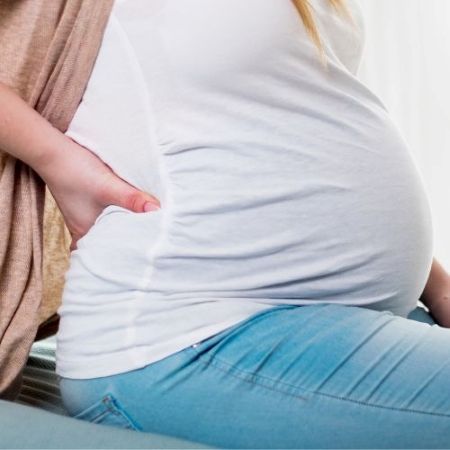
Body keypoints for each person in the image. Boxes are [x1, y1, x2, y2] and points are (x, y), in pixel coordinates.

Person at [1, 0, 449, 447]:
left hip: (330, 319)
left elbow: (296, 119)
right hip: (192, 336)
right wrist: (55, 159)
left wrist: (436, 284)